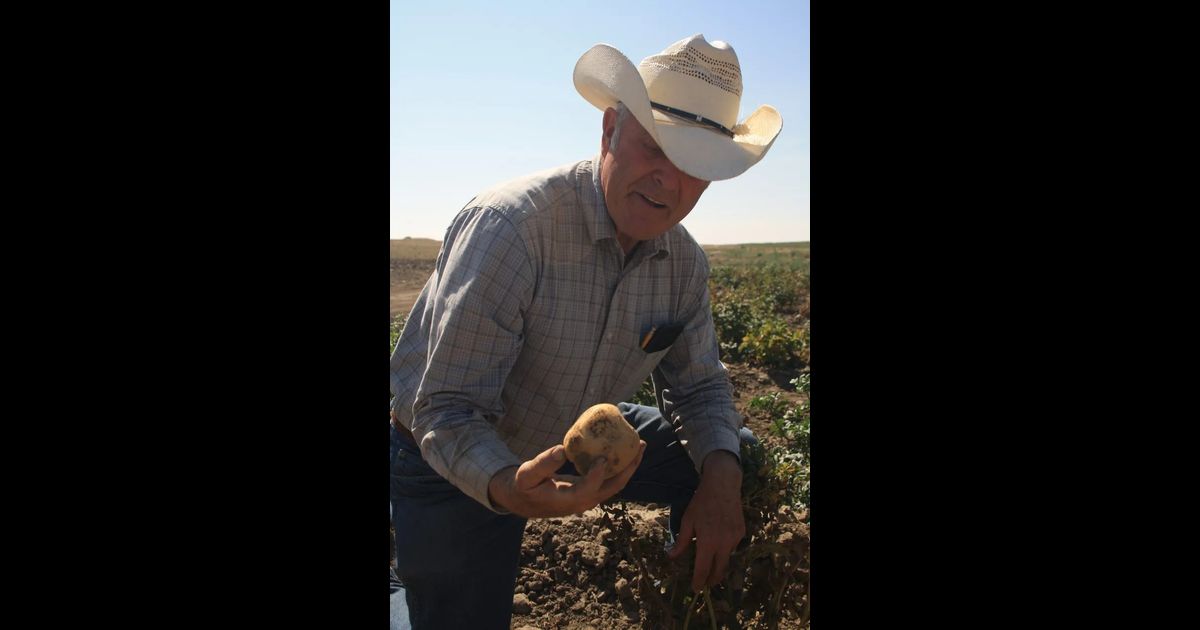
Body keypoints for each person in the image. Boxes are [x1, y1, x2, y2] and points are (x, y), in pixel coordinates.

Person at [389, 33, 782, 629]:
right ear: (609, 132)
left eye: (694, 169)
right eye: (654, 149)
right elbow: (445, 409)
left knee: (731, 457)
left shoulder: (683, 265)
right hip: (450, 459)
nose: (667, 182)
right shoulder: (513, 230)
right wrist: (507, 488)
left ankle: (684, 591)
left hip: (574, 442)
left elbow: (699, 389)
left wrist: (723, 483)